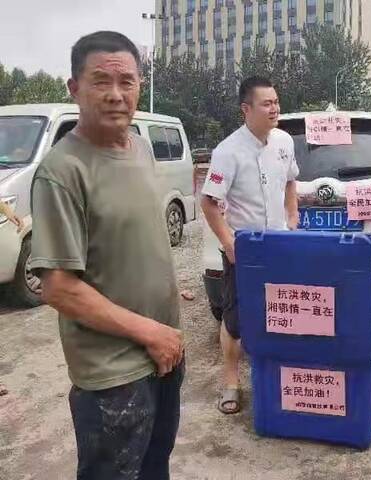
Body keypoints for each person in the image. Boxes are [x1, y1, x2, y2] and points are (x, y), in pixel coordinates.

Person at [30, 31, 184, 480]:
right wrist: (150, 331)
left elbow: (132, 238)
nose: (116, 95)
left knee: (155, 468)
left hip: (164, 351)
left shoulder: (140, 147)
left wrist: (165, 294)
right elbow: (60, 288)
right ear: (74, 88)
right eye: (101, 81)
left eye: (128, 82)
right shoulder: (62, 170)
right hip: (113, 374)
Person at [201, 76, 299, 415]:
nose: (275, 108)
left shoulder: (285, 141)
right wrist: (229, 243)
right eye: (266, 103)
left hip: (281, 245)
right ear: (246, 109)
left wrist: (293, 213)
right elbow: (209, 202)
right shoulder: (227, 151)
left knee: (282, 312)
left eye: (276, 102)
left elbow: (290, 179)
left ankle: (275, 377)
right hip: (246, 248)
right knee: (236, 320)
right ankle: (231, 382)